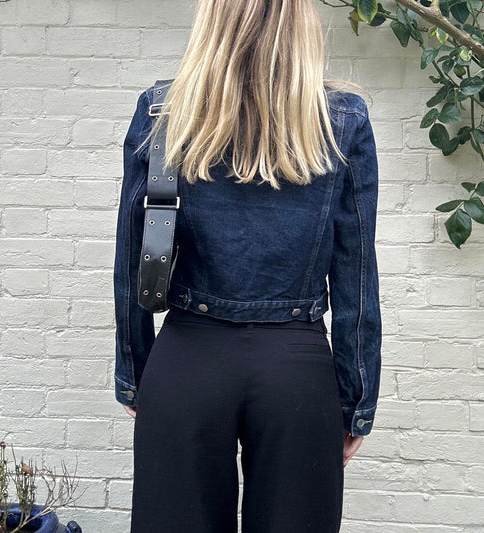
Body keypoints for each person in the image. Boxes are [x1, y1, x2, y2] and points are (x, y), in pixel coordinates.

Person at [113, 0, 382, 531]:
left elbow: (134, 260)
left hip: (186, 364)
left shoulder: (163, 112)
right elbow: (356, 276)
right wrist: (355, 399)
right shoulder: (344, 119)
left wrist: (136, 375)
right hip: (296, 374)